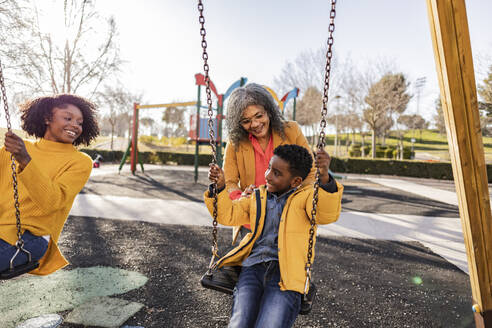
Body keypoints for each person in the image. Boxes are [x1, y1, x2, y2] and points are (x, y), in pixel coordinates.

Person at [205, 144, 343, 328]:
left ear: (295, 181)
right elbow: (228, 215)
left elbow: (326, 214)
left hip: (287, 275)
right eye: (269, 167)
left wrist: (324, 177)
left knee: (270, 324)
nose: (268, 175)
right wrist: (220, 187)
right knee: (239, 323)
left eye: (277, 173)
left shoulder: (307, 198)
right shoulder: (257, 196)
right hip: (253, 267)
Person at [0, 94, 99, 275]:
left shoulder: (79, 161)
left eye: (79, 122)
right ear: (47, 118)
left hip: (30, 238)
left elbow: (51, 203)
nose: (75, 125)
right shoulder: (14, 149)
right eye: (67, 118)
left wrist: (25, 160)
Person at [224, 83, 315, 243]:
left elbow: (311, 171)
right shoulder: (235, 142)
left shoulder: (291, 131)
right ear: (238, 123)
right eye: (246, 121)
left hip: (287, 219)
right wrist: (240, 197)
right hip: (250, 221)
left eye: (259, 116)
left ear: (269, 111)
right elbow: (229, 181)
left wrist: (298, 200)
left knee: (286, 267)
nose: (255, 124)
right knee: (248, 266)